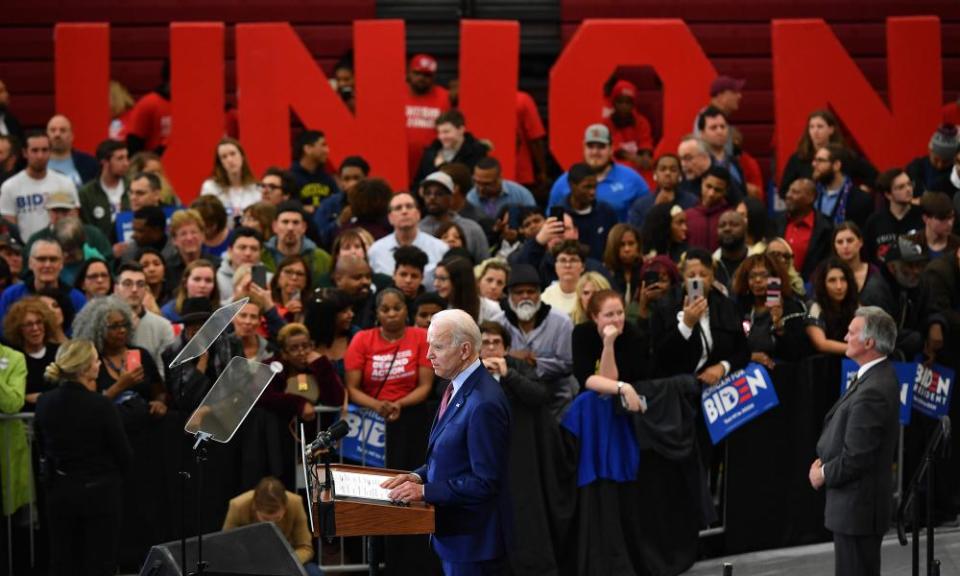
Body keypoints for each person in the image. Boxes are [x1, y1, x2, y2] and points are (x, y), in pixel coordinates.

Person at [382, 309, 511, 575]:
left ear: (464, 350)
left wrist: (425, 492)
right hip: (454, 537)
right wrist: (417, 477)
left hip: (474, 544)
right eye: (429, 344)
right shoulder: (455, 386)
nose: (428, 354)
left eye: (437, 346)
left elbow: (485, 482)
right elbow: (450, 457)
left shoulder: (484, 403)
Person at [810, 307, 899, 576]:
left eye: (851, 332)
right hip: (857, 508)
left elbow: (856, 458)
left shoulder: (873, 390)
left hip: (858, 510)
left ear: (869, 342)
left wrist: (822, 473)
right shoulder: (875, 377)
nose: (845, 337)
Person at [34, 339, 132, 576]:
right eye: (96, 360)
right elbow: (124, 454)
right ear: (87, 368)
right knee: (99, 561)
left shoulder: (44, 402)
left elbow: (41, 445)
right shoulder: (101, 405)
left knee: (63, 560)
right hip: (100, 495)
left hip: (59, 492)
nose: (99, 363)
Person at [71, 296, 168, 428]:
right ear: (97, 329)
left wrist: (159, 403)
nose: (122, 330)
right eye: (114, 327)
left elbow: (159, 391)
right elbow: (88, 408)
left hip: (145, 427)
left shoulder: (141, 354)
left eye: (124, 324)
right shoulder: (89, 361)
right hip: (107, 431)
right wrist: (120, 385)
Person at [495, 264, 576, 418]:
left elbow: (568, 364)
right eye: (519, 293)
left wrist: (535, 362)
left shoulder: (562, 322)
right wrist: (514, 358)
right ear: (510, 296)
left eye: (531, 292)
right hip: (512, 403)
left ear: (539, 294)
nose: (525, 296)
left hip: (556, 404)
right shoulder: (498, 324)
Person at [344, 288, 433, 422]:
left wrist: (399, 404)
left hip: (412, 414)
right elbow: (352, 388)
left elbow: (425, 386)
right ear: (377, 314)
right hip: (370, 416)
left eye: (397, 308)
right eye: (385, 310)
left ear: (406, 310)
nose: (392, 314)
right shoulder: (361, 339)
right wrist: (377, 405)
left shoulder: (421, 337)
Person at [548, 123, 650, 222]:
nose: (595, 152)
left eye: (601, 147)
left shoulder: (633, 180)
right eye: (590, 146)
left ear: (611, 148)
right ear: (583, 147)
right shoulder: (564, 182)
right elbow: (552, 223)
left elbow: (646, 217)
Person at [223, 476, 320, 576]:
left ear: (285, 507)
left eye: (277, 518)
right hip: (250, 562)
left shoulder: (295, 503)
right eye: (265, 519)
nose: (272, 524)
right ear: (255, 508)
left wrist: (286, 561)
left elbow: (305, 548)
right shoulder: (238, 506)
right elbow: (225, 547)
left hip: (286, 561)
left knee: (313, 572)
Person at [731, 253, 809, 367]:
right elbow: (731, 347)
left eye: (764, 275)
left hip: (780, 373)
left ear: (775, 278)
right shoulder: (740, 308)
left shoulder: (791, 308)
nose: (757, 280)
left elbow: (798, 353)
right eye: (752, 276)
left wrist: (779, 326)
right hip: (746, 372)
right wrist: (750, 356)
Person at [1, 131, 79, 240]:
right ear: (24, 153)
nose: (40, 156)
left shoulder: (65, 183)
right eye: (34, 150)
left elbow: (73, 221)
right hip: (24, 250)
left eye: (45, 150)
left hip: (61, 249)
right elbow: (9, 227)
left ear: (50, 152)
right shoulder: (9, 186)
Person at [779, 109, 878, 195]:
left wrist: (862, 191)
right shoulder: (798, 158)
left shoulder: (845, 155)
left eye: (820, 126)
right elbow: (783, 190)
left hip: (841, 210)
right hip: (809, 211)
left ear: (831, 130)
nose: (815, 131)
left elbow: (873, 175)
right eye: (811, 127)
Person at [572, 289, 648, 389]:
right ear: (595, 317)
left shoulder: (635, 336)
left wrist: (609, 344)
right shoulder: (582, 333)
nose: (617, 320)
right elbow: (585, 378)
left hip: (629, 395)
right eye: (609, 315)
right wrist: (608, 344)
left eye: (620, 313)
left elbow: (614, 380)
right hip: (592, 395)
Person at [0, 238, 87, 324]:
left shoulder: (77, 299)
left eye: (53, 259)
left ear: (61, 264)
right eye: (41, 259)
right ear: (30, 263)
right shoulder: (11, 295)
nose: (47, 265)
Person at [368, 192, 449, 279]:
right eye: (398, 208)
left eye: (409, 206)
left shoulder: (440, 249)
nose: (404, 211)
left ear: (418, 214)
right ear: (390, 218)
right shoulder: (376, 251)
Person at [113, 262, 175, 374]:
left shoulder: (163, 326)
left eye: (140, 284)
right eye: (127, 284)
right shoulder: (102, 323)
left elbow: (165, 373)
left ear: (146, 289)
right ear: (116, 289)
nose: (134, 289)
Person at [418, 171, 489, 264]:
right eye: (427, 193)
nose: (432, 197)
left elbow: (484, 266)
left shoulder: (472, 229)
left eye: (439, 194)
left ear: (451, 197)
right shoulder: (417, 231)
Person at [3, 297, 58, 410]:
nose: (35, 328)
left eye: (39, 322)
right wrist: (25, 398)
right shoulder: (13, 357)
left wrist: (41, 398)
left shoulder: (59, 353)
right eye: (28, 324)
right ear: (18, 329)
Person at [775, 178, 834, 281]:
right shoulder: (776, 222)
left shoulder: (825, 228)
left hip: (810, 290)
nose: (788, 195)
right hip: (776, 285)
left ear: (810, 198)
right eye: (789, 191)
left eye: (795, 192)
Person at [557, 163, 619, 261]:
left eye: (594, 187)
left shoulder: (606, 212)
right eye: (587, 187)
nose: (592, 192)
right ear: (572, 185)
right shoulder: (558, 214)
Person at [262, 201, 332, 286]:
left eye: (295, 223)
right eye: (285, 222)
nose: (290, 228)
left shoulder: (321, 258)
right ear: (275, 226)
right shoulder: (261, 256)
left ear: (304, 227)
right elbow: (256, 288)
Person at [413, 109, 489, 187]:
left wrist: (443, 166)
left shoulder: (477, 152)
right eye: (439, 132)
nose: (441, 137)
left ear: (461, 129)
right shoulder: (430, 153)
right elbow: (417, 184)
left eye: (446, 132)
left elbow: (469, 184)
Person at [404, 53, 451, 180]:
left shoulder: (445, 97)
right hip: (401, 158)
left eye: (427, 75)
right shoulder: (396, 93)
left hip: (431, 161)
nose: (422, 78)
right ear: (408, 73)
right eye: (417, 73)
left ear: (434, 77)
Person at [864, 168, 924, 265]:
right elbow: (869, 257)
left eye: (909, 184)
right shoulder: (874, 222)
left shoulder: (923, 216)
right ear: (888, 195)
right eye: (901, 187)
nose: (908, 189)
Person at [832, 223, 895, 315]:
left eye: (850, 240)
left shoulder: (875, 274)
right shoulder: (828, 274)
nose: (845, 246)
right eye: (840, 242)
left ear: (860, 242)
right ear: (834, 246)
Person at [627, 153, 697, 230]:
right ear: (655, 174)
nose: (668, 173)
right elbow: (638, 236)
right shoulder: (641, 205)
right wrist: (655, 211)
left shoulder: (692, 202)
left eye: (673, 170)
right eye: (662, 169)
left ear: (680, 174)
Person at [77, 139, 130, 241]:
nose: (126, 163)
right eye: (120, 159)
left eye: (127, 158)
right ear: (105, 162)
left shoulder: (133, 188)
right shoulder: (86, 193)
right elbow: (86, 230)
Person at [806, 258, 860, 356]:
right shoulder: (814, 307)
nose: (839, 286)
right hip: (823, 365)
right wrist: (858, 349)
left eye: (843, 279)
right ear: (822, 284)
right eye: (832, 280)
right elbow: (821, 344)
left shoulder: (856, 305)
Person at [812, 144, 873, 228]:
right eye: (815, 160)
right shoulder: (810, 194)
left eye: (820, 160)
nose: (814, 164)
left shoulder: (861, 200)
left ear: (836, 165)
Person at [200, 137, 260, 220]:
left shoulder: (256, 188)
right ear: (220, 163)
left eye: (233, 154)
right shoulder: (211, 187)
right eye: (224, 157)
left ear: (242, 156)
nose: (230, 160)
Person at [308, 288, 357, 381]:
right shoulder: (303, 340)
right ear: (326, 315)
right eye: (344, 311)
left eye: (351, 309)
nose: (351, 314)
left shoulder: (357, 336)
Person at [466, 157, 537, 220]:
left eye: (486, 184)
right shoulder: (470, 199)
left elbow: (535, 220)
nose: (480, 188)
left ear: (500, 178)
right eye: (477, 182)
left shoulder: (521, 195)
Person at [435, 256, 500, 323]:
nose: (436, 284)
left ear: (459, 281)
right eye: (435, 277)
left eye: (442, 279)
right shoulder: (438, 308)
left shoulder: (492, 309)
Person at [289, 130, 339, 212]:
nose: (327, 150)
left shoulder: (327, 178)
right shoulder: (290, 178)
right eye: (323, 145)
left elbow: (338, 204)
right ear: (307, 149)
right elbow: (290, 208)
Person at [685, 166, 733, 251]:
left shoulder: (731, 218)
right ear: (702, 182)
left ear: (725, 191)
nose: (711, 194)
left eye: (718, 190)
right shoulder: (687, 216)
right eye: (708, 186)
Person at [161, 259, 220, 324]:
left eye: (208, 280)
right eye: (197, 279)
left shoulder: (221, 313)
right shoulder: (168, 312)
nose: (202, 285)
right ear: (185, 283)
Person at [906, 124, 958, 197]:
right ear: (930, 151)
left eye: (946, 161)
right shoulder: (915, 168)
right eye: (936, 160)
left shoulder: (956, 175)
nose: (940, 165)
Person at [46, 114, 98, 186]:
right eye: (53, 130)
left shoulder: (89, 163)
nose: (57, 134)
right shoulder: (36, 164)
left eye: (63, 130)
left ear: (72, 136)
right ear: (47, 135)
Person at [541, 240, 587, 318]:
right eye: (562, 260)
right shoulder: (546, 297)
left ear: (582, 267)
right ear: (555, 266)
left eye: (573, 260)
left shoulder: (589, 293)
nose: (568, 265)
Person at [919, 191, 960, 259]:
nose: (950, 223)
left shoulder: (958, 245)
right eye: (942, 218)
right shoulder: (910, 244)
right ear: (926, 219)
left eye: (951, 217)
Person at [270, 255, 310, 324]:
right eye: (288, 272)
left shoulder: (312, 309)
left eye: (300, 274)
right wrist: (286, 312)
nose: (294, 277)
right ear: (278, 278)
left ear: (306, 282)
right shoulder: (268, 305)